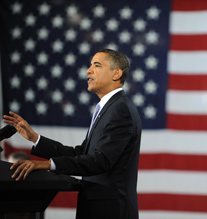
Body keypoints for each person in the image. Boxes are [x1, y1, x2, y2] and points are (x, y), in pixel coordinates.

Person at [3, 49, 142, 219]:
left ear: (116, 74)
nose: (88, 70)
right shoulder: (109, 108)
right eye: (90, 65)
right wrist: (35, 139)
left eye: (96, 65)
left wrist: (48, 164)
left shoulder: (120, 110)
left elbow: (101, 160)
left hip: (110, 211)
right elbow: (82, 153)